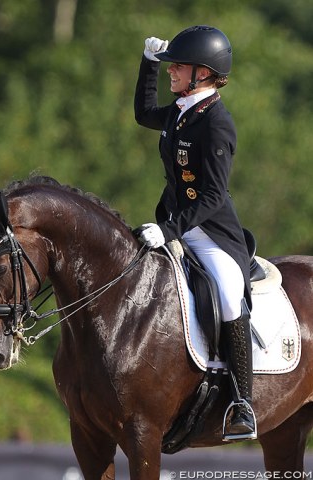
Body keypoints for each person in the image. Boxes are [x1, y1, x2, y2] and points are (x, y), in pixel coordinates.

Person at [134, 25, 256, 441]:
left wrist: (168, 229)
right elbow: (141, 112)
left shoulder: (217, 123)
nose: (172, 73)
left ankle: (243, 401)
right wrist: (148, 65)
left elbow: (214, 196)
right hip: (175, 225)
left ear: (203, 73)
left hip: (211, 233)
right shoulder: (181, 110)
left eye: (177, 68)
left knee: (225, 288)